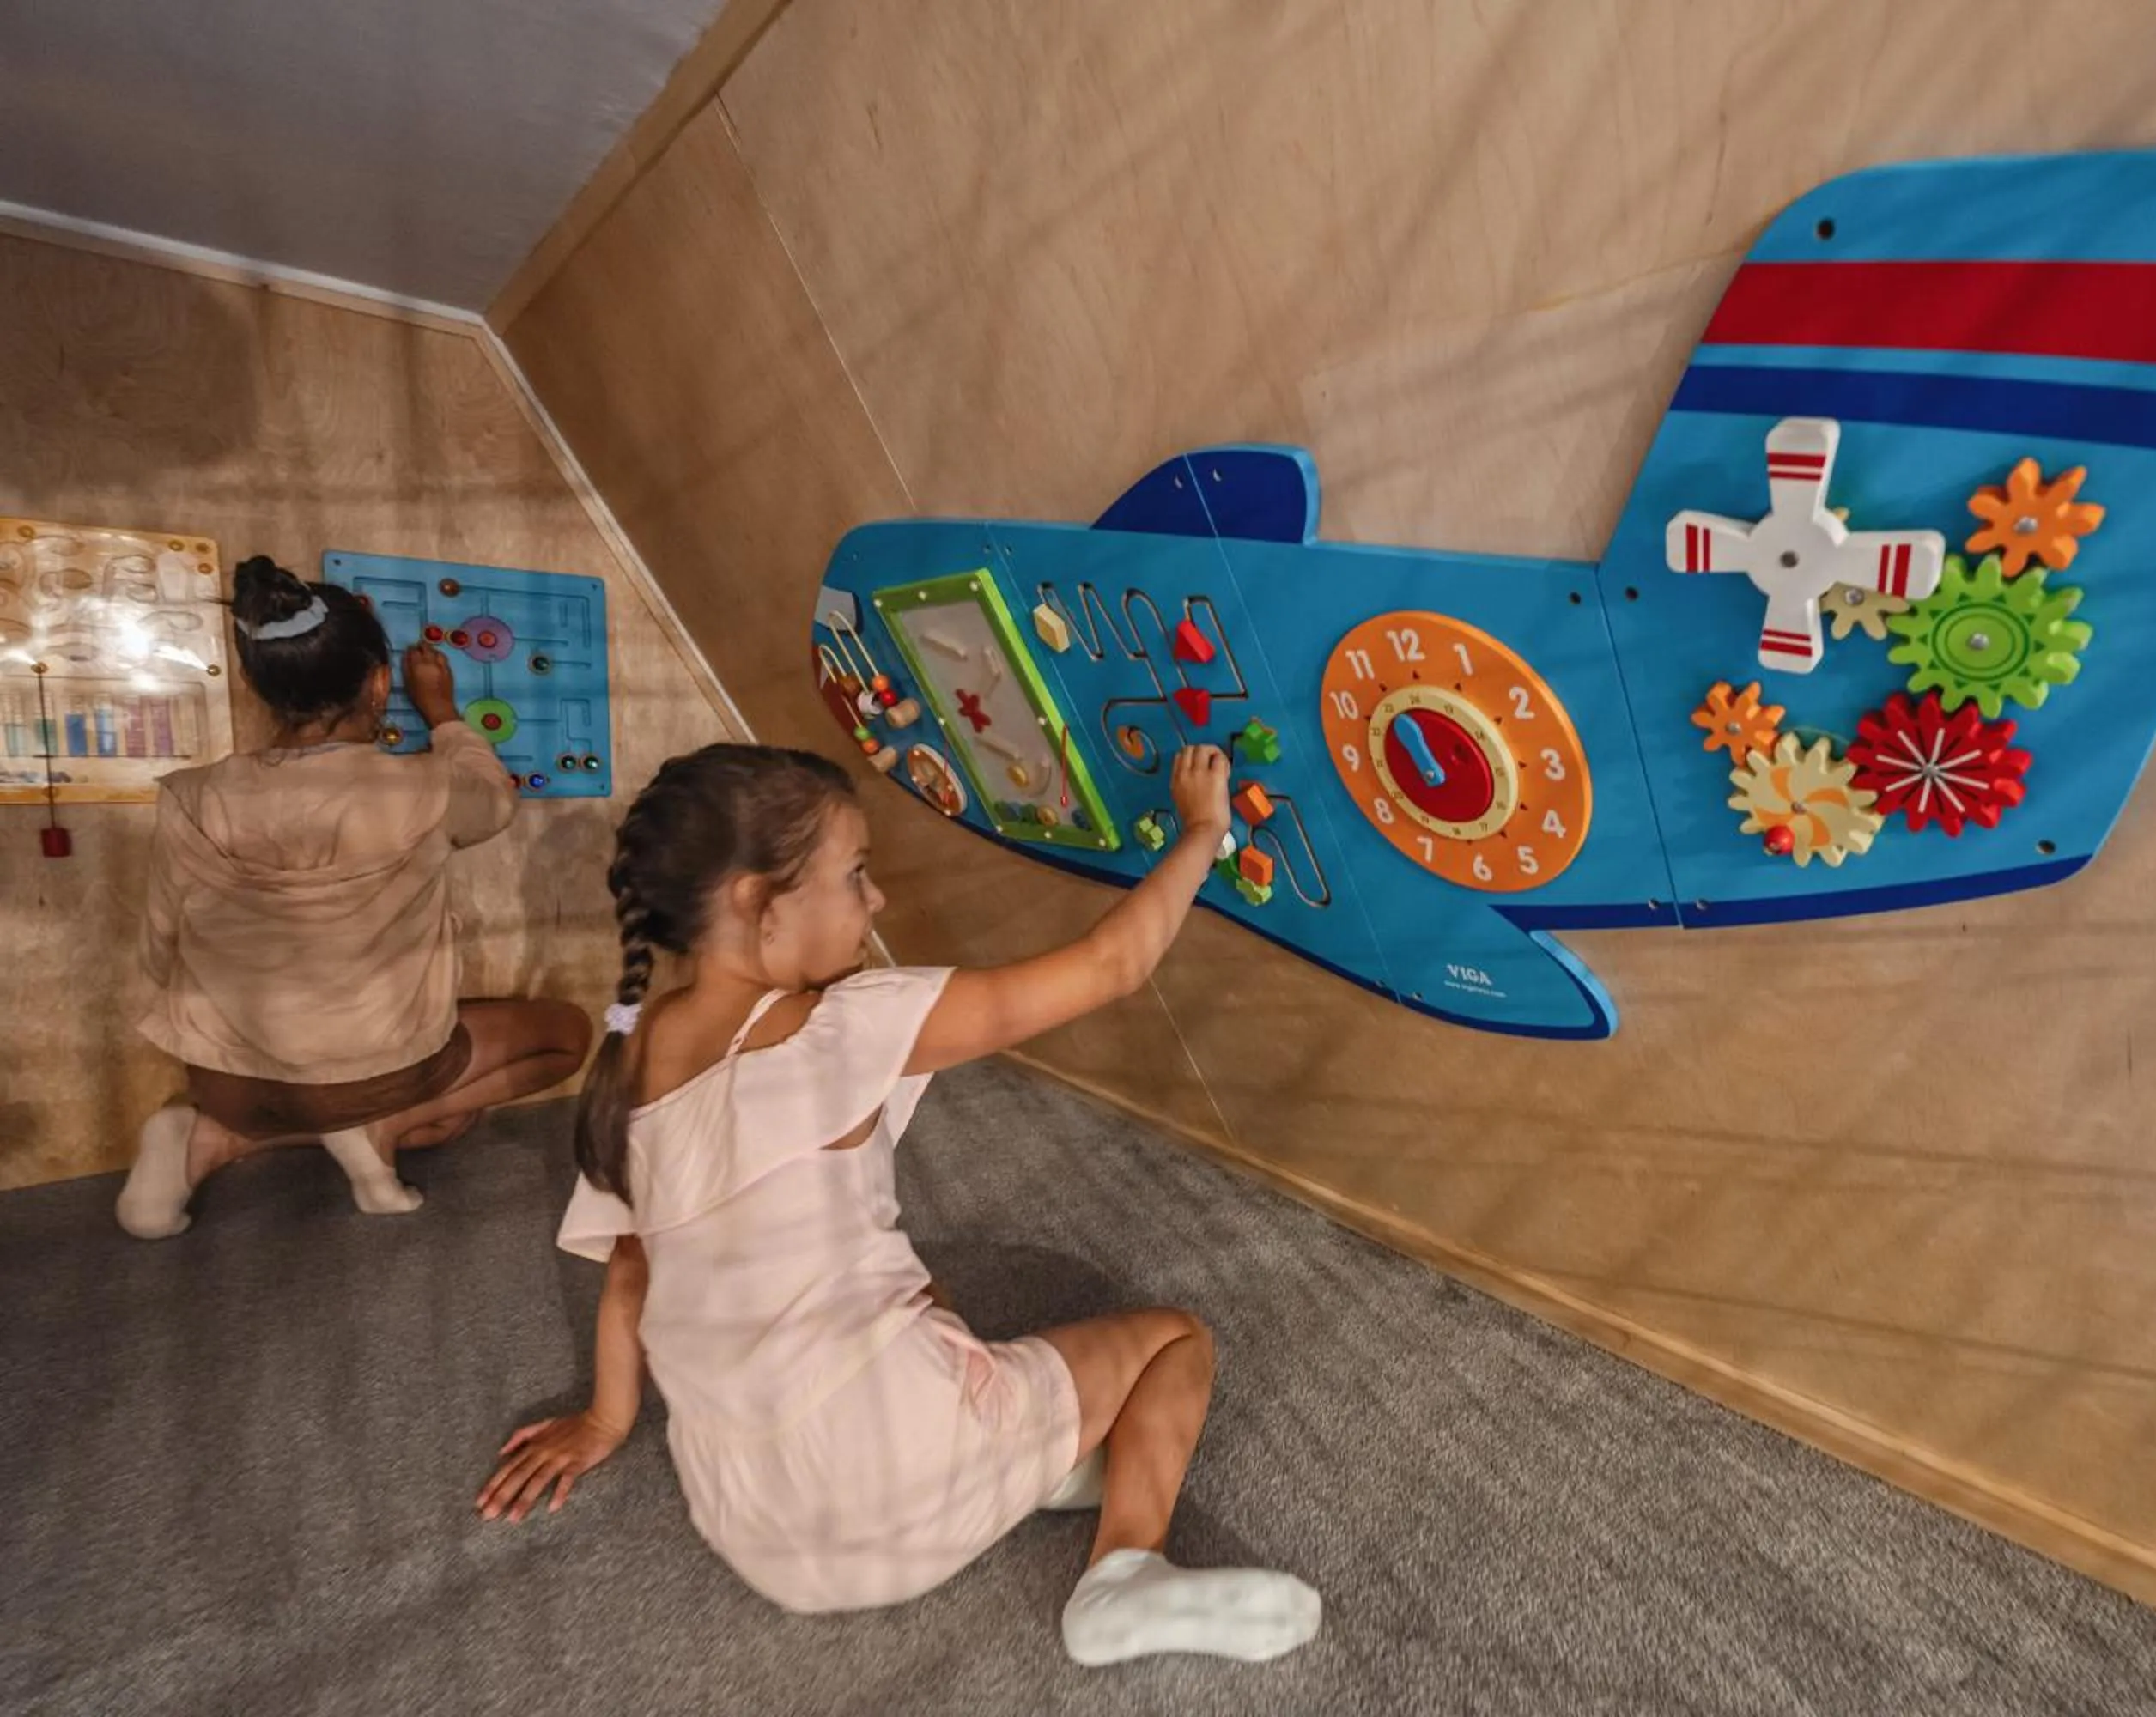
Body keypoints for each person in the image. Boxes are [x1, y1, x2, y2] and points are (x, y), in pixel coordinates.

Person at [476, 742, 1320, 1667]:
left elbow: (632, 1269)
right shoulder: (847, 1019)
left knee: (925, 1295)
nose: (875, 902)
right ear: (762, 901)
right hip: (898, 1483)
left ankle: (1026, 1462)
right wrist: (1203, 827)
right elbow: (1114, 964)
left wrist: (603, 1420)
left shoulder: (623, 1067)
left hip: (761, 1532)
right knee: (1175, 1337)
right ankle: (1123, 1568)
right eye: (856, 873)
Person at [117, 555, 592, 1238]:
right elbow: (494, 803)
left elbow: (159, 943)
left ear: (253, 682)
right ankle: (374, 1131)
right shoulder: (424, 788)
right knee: (565, 1037)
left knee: (429, 1103)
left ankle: (212, 1137)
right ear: (378, 683)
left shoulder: (191, 797)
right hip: (379, 1078)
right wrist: (445, 716)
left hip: (229, 1084)